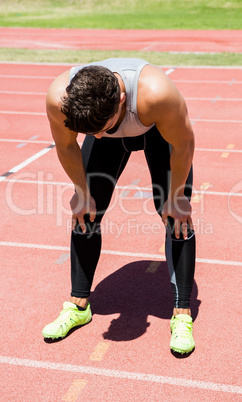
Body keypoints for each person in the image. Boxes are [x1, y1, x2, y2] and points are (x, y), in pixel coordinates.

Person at [42, 58, 196, 354]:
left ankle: (182, 313)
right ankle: (78, 306)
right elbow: (66, 144)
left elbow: (184, 143)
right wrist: (81, 191)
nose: (98, 136)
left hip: (155, 130)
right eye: (92, 131)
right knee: (85, 211)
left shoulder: (157, 94)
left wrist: (177, 196)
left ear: (121, 100)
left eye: (102, 128)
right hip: (107, 119)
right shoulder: (59, 97)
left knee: (176, 215)